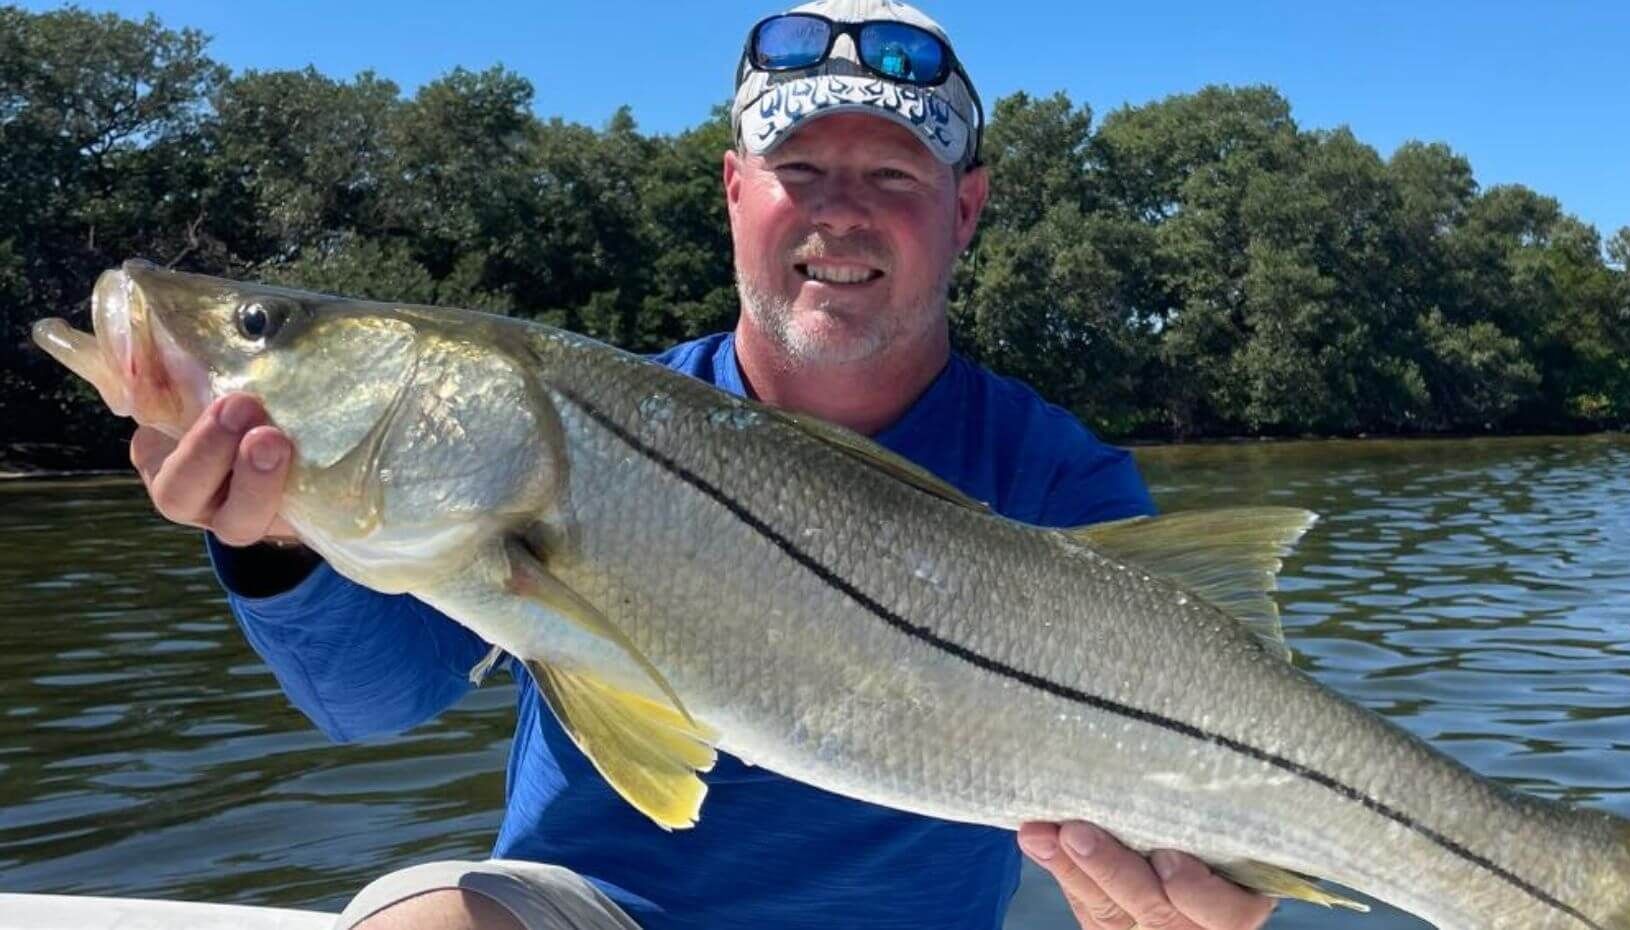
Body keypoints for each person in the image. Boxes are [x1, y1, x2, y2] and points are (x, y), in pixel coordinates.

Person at [129, 2, 1278, 928]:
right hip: (595, 912)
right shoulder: (572, 430)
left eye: (892, 177)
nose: (842, 216)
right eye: (802, 171)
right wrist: (276, 539)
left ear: (965, 209)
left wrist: (1178, 905)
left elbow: (1172, 824)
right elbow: (375, 704)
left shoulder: (1062, 482)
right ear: (735, 193)